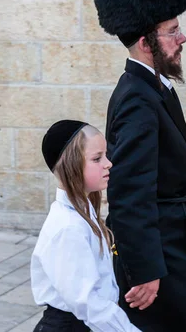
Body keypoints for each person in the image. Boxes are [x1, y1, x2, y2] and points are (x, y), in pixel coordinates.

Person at [91, 0, 186, 332]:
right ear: (145, 42)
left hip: (175, 236)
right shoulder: (138, 98)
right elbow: (128, 192)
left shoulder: (152, 87)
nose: (182, 38)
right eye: (172, 31)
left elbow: (165, 174)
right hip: (159, 251)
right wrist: (146, 272)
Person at [30, 120, 141, 332]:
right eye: (97, 159)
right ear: (71, 165)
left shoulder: (83, 213)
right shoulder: (68, 228)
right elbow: (88, 302)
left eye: (106, 155)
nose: (108, 163)